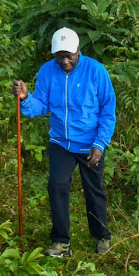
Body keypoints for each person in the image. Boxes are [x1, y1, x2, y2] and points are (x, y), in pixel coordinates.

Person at [12, 27, 116, 257]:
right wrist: (25, 98)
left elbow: (108, 110)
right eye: (60, 56)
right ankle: (61, 242)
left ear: (79, 50)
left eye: (69, 55)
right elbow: (40, 105)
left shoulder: (96, 71)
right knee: (57, 186)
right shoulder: (48, 72)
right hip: (61, 142)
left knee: (94, 190)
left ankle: (102, 236)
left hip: (90, 144)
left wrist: (100, 144)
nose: (65, 61)